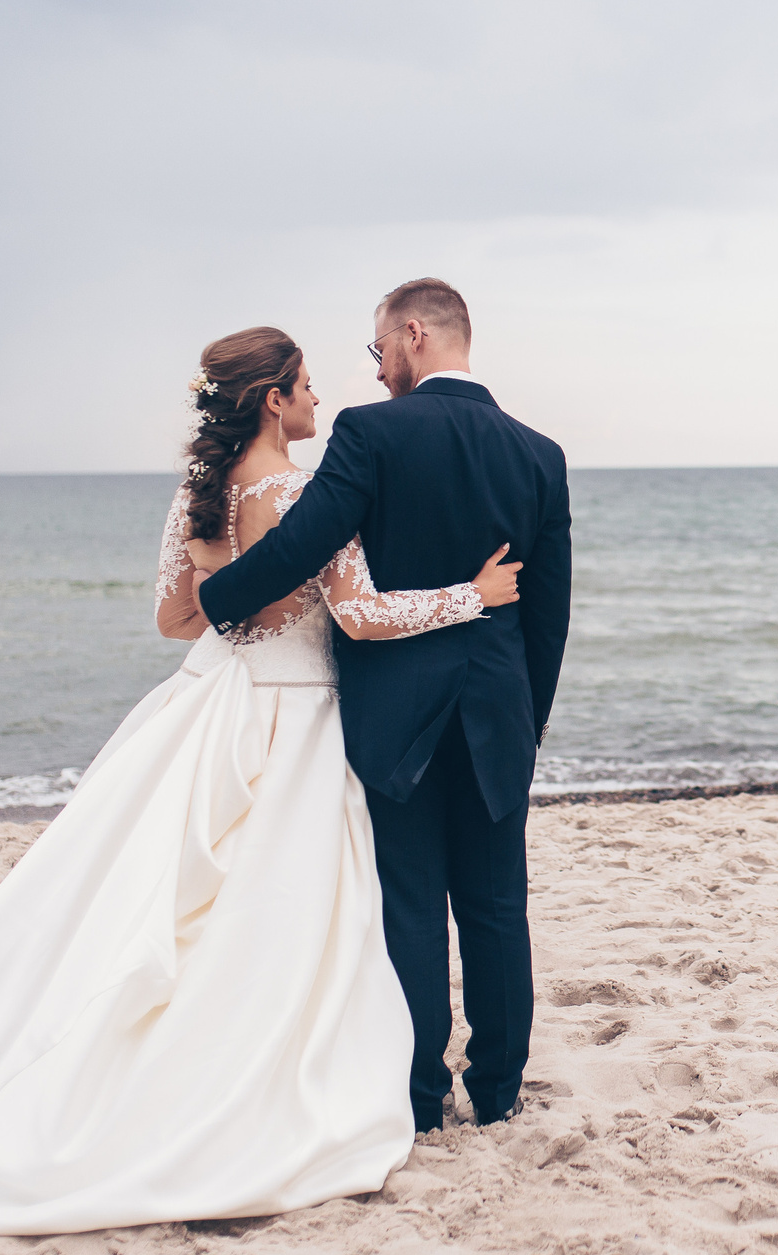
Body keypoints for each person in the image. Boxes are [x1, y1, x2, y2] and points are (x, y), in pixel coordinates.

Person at [0, 327, 519, 1235]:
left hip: (217, 703)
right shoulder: (308, 495)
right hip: (302, 716)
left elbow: (175, 617)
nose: (321, 401)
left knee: (172, 899)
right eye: (310, 387)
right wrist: (473, 595)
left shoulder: (199, 495)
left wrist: (238, 592)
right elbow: (359, 616)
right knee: (283, 910)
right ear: (275, 399)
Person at [195, 279, 571, 1133]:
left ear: (413, 334)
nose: (376, 371)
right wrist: (527, 722)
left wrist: (222, 603)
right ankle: (502, 1091)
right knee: (496, 906)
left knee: (410, 902)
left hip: (396, 714)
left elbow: (305, 540)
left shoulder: (372, 433)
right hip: (494, 715)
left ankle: (419, 1096)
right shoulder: (539, 454)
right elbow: (548, 613)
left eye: (378, 351)